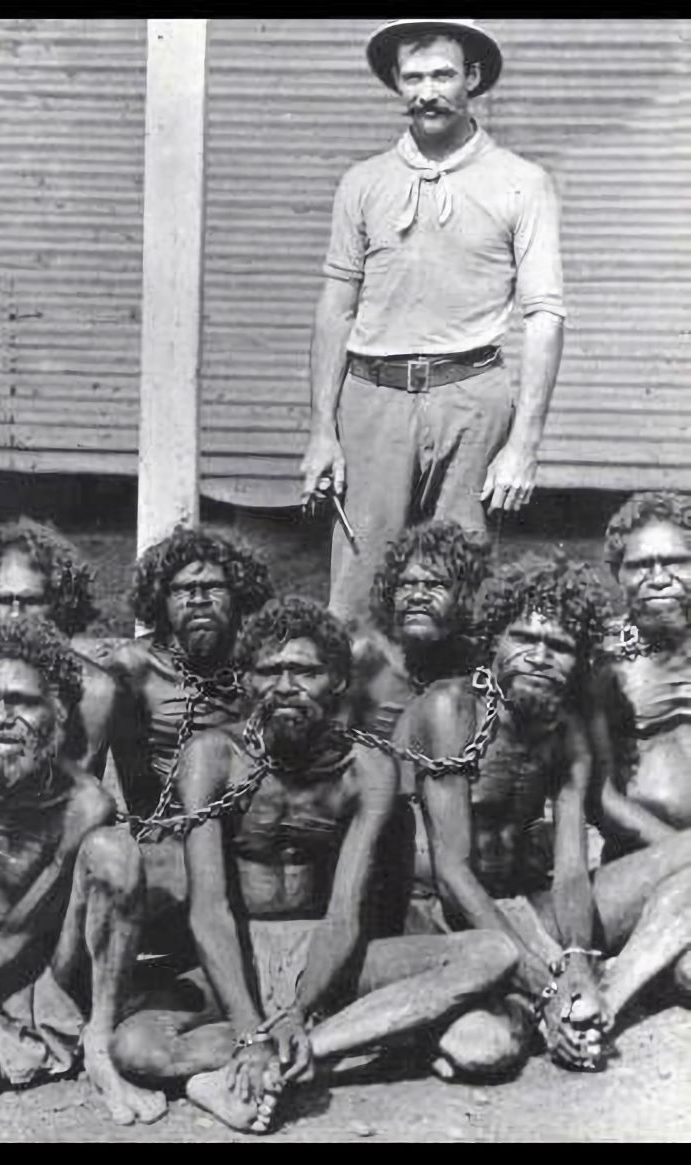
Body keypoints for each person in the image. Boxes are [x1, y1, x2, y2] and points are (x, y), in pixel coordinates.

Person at [111, 597, 518, 1135]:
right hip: (241, 950)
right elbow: (209, 909)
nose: (285, 686)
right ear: (248, 681)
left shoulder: (366, 768)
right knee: (137, 1046)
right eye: (269, 670)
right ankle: (305, 1048)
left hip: (327, 954)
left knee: (492, 951)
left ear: (339, 682)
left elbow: (346, 910)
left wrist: (302, 1011)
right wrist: (249, 1028)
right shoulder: (213, 755)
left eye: (305, 671)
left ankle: (298, 1052)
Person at [301, 18, 566, 624]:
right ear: (397, 84)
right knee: (358, 590)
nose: (427, 92)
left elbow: (546, 315)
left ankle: (451, 715)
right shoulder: (363, 182)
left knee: (458, 586)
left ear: (471, 78)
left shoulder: (522, 183)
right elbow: (336, 307)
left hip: (471, 399)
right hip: (373, 398)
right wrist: (322, 431)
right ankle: (356, 719)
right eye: (412, 77)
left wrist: (524, 445)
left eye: (443, 74)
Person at [399, 555, 691, 1078]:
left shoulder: (566, 727)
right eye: (522, 639)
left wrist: (576, 958)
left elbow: (573, 867)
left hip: (527, 907)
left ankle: (606, 992)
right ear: (493, 639)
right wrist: (550, 982)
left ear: (579, 661)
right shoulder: (451, 709)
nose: (538, 657)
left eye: (558, 647)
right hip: (445, 921)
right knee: (484, 1050)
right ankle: (538, 1006)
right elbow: (452, 872)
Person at [0, 617, 165, 1137]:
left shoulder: (83, 804)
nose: (0, 716)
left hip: (17, 993)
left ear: (57, 713)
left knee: (114, 854)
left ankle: (98, 1045)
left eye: (21, 701)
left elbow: (18, 940)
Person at [108, 525, 273, 959]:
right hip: (171, 833)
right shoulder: (134, 668)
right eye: (183, 589)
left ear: (238, 593)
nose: (198, 599)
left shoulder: (263, 664)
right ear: (161, 600)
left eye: (212, 586)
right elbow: (132, 778)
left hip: (245, 829)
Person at [590, 491, 691, 993]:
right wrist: (680, 851)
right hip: (646, 859)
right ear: (619, 574)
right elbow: (599, 798)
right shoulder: (604, 663)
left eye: (675, 560)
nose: (658, 576)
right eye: (640, 565)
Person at [0, 517, 114, 777]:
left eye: (32, 600)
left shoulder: (93, 690)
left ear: (60, 605)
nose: (16, 614)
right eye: (2, 600)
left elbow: (75, 800)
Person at [351, 518, 490, 737]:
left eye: (436, 585)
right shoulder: (367, 660)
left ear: (466, 595)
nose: (416, 596)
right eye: (406, 584)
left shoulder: (482, 668)